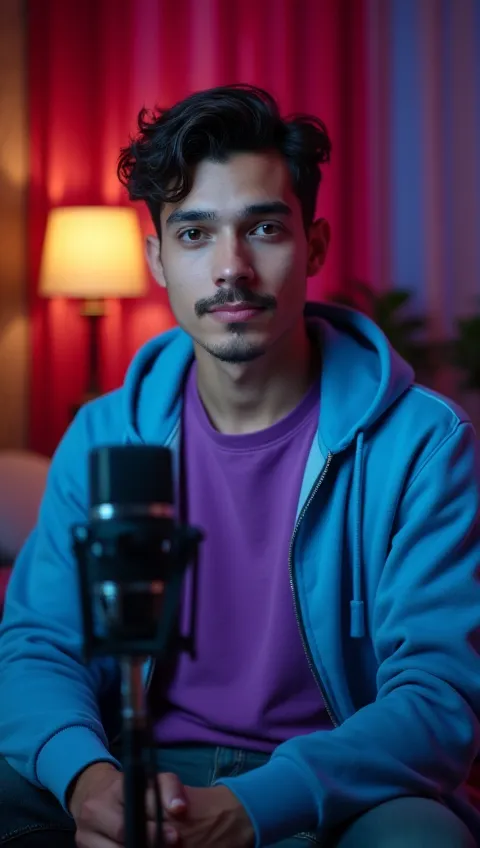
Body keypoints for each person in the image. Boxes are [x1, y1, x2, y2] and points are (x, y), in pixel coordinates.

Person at [0, 84, 479, 848]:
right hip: (137, 767)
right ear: (157, 258)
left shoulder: (423, 441)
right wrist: (91, 785)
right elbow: (38, 645)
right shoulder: (102, 435)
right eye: (194, 235)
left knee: (424, 839)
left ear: (314, 245)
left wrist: (254, 806)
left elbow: (438, 696)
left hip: (332, 784)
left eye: (262, 228)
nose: (232, 268)